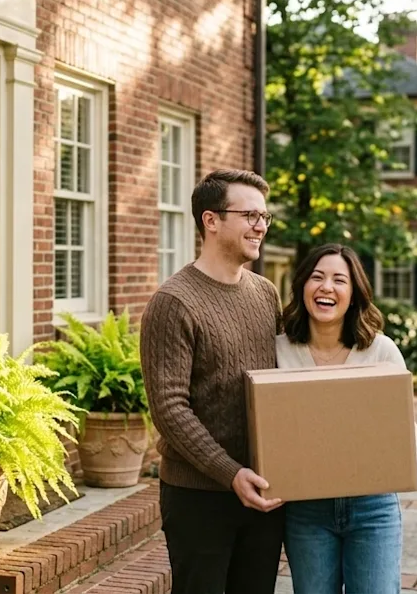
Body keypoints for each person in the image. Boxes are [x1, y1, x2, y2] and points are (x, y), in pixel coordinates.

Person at [140, 168, 286, 594]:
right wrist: (229, 473)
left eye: (264, 216)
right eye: (249, 215)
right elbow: (169, 409)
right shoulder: (173, 302)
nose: (260, 226)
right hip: (199, 496)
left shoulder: (266, 294)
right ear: (211, 220)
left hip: (262, 490)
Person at [276, 243, 417, 594]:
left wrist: (407, 466)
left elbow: (404, 428)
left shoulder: (380, 351)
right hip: (306, 509)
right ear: (302, 287)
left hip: (372, 506)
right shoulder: (278, 351)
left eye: (339, 280)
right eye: (317, 277)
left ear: (354, 294)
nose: (327, 287)